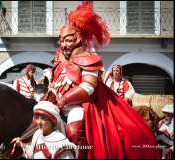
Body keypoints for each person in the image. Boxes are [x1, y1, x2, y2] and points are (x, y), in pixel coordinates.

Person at [45, 1, 160, 159]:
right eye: (61, 40)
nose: (63, 45)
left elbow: (88, 87)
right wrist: (49, 96)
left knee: (74, 129)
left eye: (67, 40)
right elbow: (54, 82)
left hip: (79, 105)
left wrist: (64, 100)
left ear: (77, 39)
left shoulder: (88, 58)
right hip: (57, 103)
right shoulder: (59, 60)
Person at [10, 101, 78, 159]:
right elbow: (32, 155)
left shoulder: (61, 142)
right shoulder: (38, 133)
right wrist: (22, 144)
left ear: (52, 121)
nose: (39, 122)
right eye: (37, 118)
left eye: (43, 119)